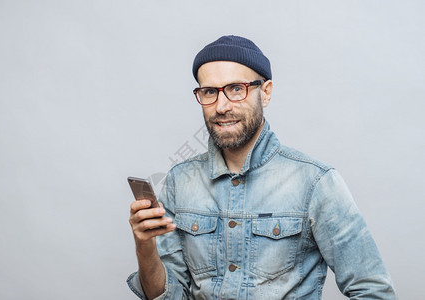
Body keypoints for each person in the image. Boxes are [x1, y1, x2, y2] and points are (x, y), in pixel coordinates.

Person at [127, 35, 397, 299]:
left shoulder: (315, 182)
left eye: (236, 89)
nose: (221, 106)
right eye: (209, 91)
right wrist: (145, 246)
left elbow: (374, 291)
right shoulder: (180, 180)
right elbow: (167, 296)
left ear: (265, 93)